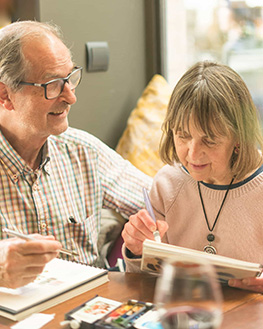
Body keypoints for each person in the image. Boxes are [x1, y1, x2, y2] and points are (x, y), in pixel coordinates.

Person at [0, 20, 152, 289]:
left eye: (70, 79)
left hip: (89, 311)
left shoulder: (85, 152)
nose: (71, 97)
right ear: (4, 94)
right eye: (53, 85)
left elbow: (165, 206)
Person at [122, 60, 263, 293]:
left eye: (209, 140)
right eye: (183, 135)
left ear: (239, 137)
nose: (193, 154)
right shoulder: (167, 184)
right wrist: (136, 251)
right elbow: (144, 281)